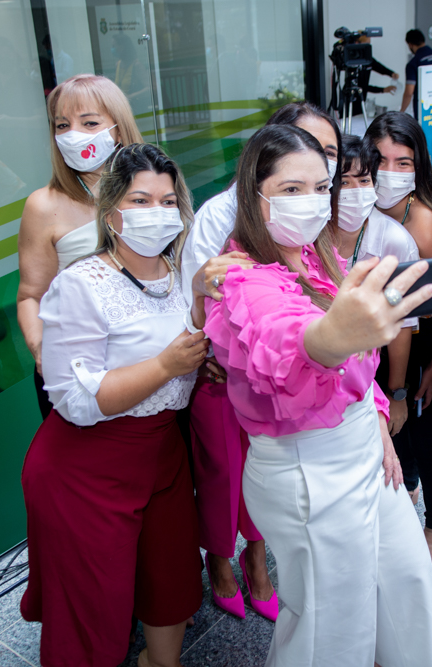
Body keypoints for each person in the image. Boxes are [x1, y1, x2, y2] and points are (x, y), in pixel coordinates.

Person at [199, 122, 432, 666]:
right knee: (331, 630)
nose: (312, 202)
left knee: (407, 583)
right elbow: (288, 346)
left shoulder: (316, 255)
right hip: (310, 471)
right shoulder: (241, 277)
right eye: (291, 189)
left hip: (364, 452)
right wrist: (334, 337)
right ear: (254, 196)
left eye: (319, 187)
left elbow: (360, 374)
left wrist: (377, 420)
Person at [21, 143, 206, 667]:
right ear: (111, 212)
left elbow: (187, 354)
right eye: (140, 201)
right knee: (93, 602)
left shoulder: (179, 275)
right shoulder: (82, 284)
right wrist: (166, 365)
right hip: (87, 465)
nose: (156, 213)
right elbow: (76, 400)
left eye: (167, 202)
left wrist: (198, 359)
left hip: (162, 453)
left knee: (170, 575)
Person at [180, 101, 342, 623]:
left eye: (326, 156)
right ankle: (219, 561)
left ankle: (257, 560)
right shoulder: (223, 219)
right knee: (223, 477)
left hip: (284, 399)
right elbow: (200, 293)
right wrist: (208, 344)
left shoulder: (316, 238)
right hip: (224, 375)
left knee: (261, 478)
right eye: (293, 183)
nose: (312, 172)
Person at [17, 74, 144, 420]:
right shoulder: (43, 206)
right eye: (62, 125)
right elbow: (31, 295)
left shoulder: (155, 188)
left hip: (152, 359)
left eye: (89, 123)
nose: (74, 135)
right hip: (79, 368)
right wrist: (41, 350)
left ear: (118, 130)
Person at [365, 111, 432, 562]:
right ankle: (410, 487)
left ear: (419, 164)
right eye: (380, 159)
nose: (390, 172)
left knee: (425, 435)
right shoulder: (358, 209)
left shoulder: (426, 223)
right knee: (397, 427)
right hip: (391, 343)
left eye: (403, 162)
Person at [334, 134, 419, 443]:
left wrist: (396, 394)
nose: (355, 191)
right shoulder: (309, 234)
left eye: (364, 180)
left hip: (373, 367)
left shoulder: (394, 240)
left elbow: (402, 325)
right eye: (344, 182)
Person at [401, 29, 432, 118]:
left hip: (424, 111)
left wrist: (401, 111)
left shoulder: (413, 63)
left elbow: (409, 93)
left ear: (410, 44)